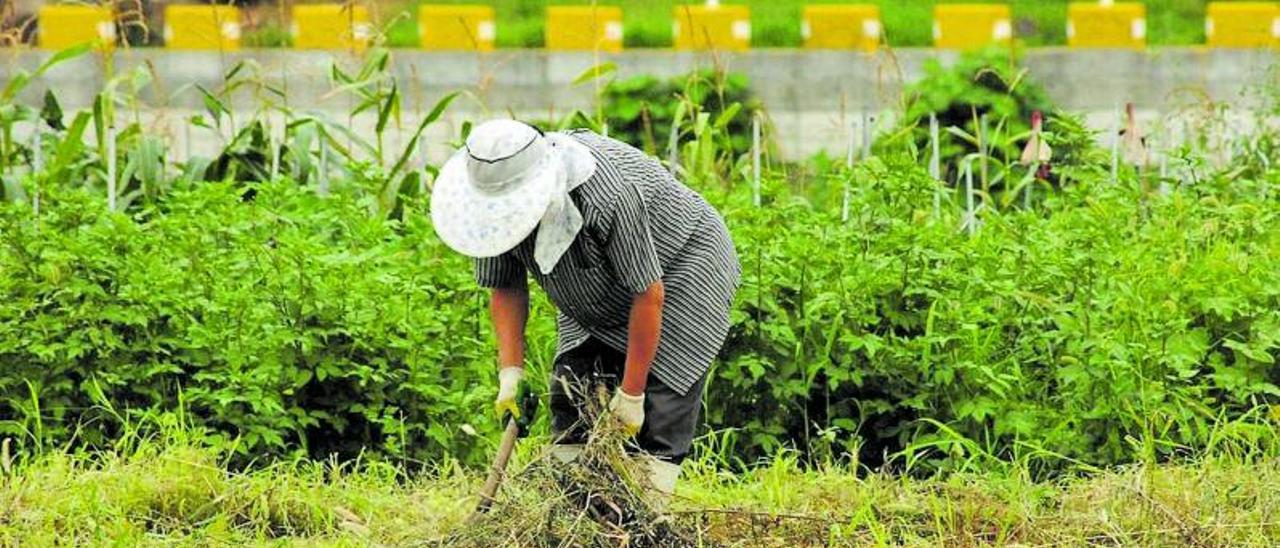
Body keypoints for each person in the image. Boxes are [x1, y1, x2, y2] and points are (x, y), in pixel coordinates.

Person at [430, 119, 741, 500]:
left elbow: (647, 293)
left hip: (681, 267)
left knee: (660, 410)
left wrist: (631, 395)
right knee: (572, 392)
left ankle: (645, 518)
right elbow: (505, 286)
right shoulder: (489, 211)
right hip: (594, 285)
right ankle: (573, 516)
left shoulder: (606, 195)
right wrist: (510, 373)